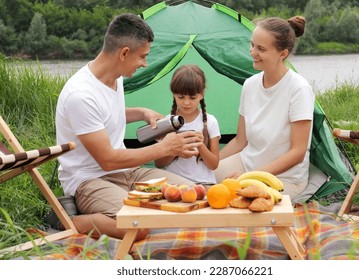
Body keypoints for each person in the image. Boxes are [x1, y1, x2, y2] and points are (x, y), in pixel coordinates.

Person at [55, 13, 202, 241]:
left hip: (127, 172)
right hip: (90, 180)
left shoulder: (115, 77)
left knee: (196, 197)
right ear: (124, 53)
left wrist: (141, 112)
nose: (145, 63)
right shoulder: (80, 95)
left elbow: (103, 117)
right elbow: (108, 160)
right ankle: (69, 219)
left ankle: (119, 201)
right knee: (138, 227)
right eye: (142, 57)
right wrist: (165, 149)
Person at [214, 16, 315, 202]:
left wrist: (250, 177)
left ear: (282, 54)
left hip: (283, 178)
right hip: (246, 164)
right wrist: (212, 162)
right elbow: (240, 141)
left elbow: (297, 153)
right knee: (199, 182)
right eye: (252, 45)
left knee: (242, 202)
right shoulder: (250, 85)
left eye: (261, 49)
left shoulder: (298, 89)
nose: (253, 52)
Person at [154, 65, 220, 185]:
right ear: (174, 94)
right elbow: (159, 163)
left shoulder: (210, 122)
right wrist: (176, 149)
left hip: (203, 184)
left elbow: (214, 164)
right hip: (173, 184)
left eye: (193, 97)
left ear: (201, 95)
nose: (186, 103)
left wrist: (200, 145)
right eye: (181, 97)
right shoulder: (166, 122)